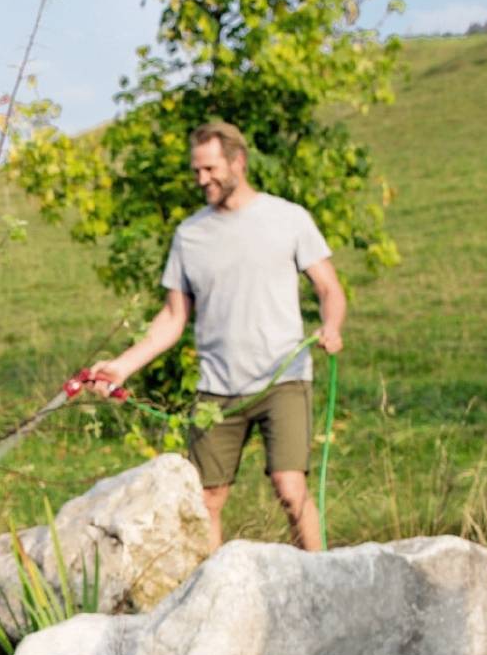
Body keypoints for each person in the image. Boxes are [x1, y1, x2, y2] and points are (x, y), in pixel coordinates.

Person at [87, 120, 345, 552]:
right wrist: (120, 367)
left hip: (283, 377)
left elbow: (329, 288)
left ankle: (319, 575)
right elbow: (172, 318)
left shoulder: (288, 218)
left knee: (289, 488)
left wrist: (331, 326)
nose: (201, 179)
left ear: (238, 162)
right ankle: (210, 596)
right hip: (217, 389)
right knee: (207, 500)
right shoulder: (190, 235)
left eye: (210, 169)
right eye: (196, 172)